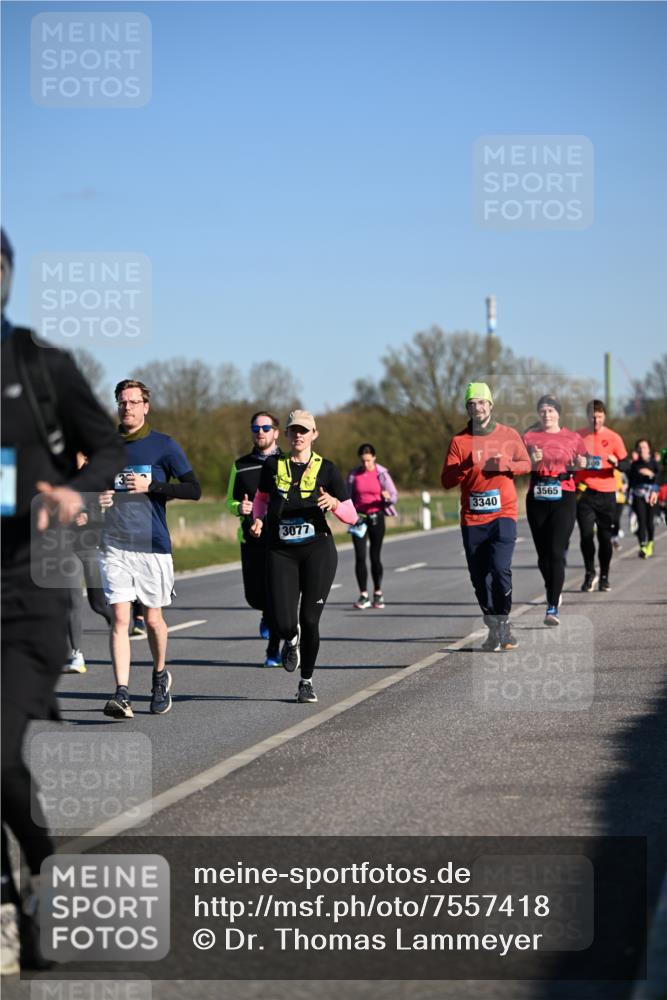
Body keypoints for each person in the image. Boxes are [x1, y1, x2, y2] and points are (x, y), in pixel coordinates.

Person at [1, 228, 124, 974]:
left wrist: (72, 493)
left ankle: (39, 873)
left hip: (28, 589)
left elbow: (105, 447)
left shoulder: (40, 366)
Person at [99, 379, 201, 720]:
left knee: (154, 619)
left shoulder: (164, 446)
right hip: (115, 544)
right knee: (120, 618)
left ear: (146, 406)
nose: (126, 407)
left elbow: (194, 489)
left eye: (133, 402)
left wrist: (152, 486)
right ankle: (122, 693)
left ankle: (159, 677)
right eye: (122, 402)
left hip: (153, 547)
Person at [249, 410, 357, 703]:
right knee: (284, 623)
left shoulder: (328, 469)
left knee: (309, 619)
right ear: (286, 434)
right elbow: (260, 499)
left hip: (317, 550)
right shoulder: (273, 465)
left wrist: (334, 503)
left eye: (304, 431)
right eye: (294, 430)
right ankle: (290, 639)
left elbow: (351, 515)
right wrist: (258, 520)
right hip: (281, 551)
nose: (299, 435)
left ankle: (306, 682)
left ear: (314, 434)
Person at [441, 382, 531, 651]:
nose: (477, 407)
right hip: (472, 518)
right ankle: (494, 629)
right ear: (467, 408)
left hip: (503, 513)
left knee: (500, 569)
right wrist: (464, 467)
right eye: (472, 404)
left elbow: (526, 463)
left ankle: (503, 624)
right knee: (479, 578)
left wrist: (507, 465)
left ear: (491, 405)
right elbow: (446, 480)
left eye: (482, 402)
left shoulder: (509, 434)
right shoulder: (459, 441)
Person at [523, 395, 588, 626]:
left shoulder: (573, 437)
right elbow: (518, 465)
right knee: (543, 556)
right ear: (538, 413)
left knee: (556, 552)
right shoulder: (529, 437)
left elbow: (585, 461)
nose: (547, 414)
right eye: (542, 410)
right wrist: (530, 460)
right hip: (537, 497)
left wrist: (582, 464)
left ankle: (552, 607)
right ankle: (553, 588)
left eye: (551, 410)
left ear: (558, 413)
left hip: (564, 495)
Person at [226, 412, 281, 666]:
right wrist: (240, 508)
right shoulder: (241, 465)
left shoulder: (287, 462)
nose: (261, 432)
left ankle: (273, 651)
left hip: (281, 539)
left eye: (266, 427)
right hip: (251, 539)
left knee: (278, 594)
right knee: (256, 596)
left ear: (276, 432)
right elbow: (230, 501)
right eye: (256, 428)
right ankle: (266, 615)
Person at [575, 400, 629, 592]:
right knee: (586, 535)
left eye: (598, 416)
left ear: (604, 416)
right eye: (591, 416)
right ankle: (590, 573)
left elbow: (626, 464)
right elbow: (569, 462)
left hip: (607, 494)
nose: (595, 419)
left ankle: (604, 575)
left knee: (605, 539)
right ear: (587, 416)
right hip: (585, 493)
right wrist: (577, 462)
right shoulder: (578, 436)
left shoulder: (614, 437)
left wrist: (617, 463)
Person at [347, 443, 398, 609]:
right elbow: (348, 496)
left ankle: (378, 592)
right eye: (363, 461)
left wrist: (388, 497)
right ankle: (363, 595)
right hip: (359, 518)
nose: (366, 464)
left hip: (377, 517)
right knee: (360, 556)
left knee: (375, 556)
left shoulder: (381, 474)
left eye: (368, 461)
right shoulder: (354, 475)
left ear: (374, 458)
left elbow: (394, 496)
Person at [628, 438, 659, 558]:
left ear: (649, 449)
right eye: (640, 448)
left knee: (649, 522)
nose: (642, 450)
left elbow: (660, 478)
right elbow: (631, 480)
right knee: (641, 521)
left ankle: (650, 543)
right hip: (638, 495)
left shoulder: (654, 463)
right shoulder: (635, 464)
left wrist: (650, 474)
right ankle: (642, 546)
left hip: (652, 495)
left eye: (644, 447)